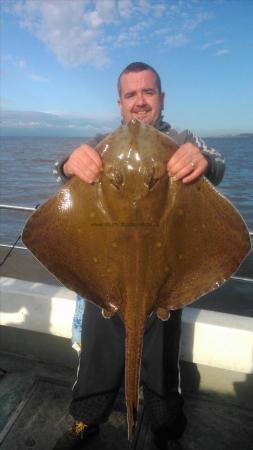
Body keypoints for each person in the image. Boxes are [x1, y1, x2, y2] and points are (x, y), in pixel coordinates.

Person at [53, 62, 225, 450]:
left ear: (161, 99)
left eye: (148, 92)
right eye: (131, 95)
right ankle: (86, 418)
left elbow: (218, 164)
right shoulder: (102, 141)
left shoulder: (182, 139)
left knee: (162, 359)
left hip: (165, 271)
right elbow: (62, 172)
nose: (140, 102)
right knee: (97, 352)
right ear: (120, 104)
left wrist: (203, 160)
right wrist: (68, 163)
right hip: (105, 273)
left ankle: (165, 424)